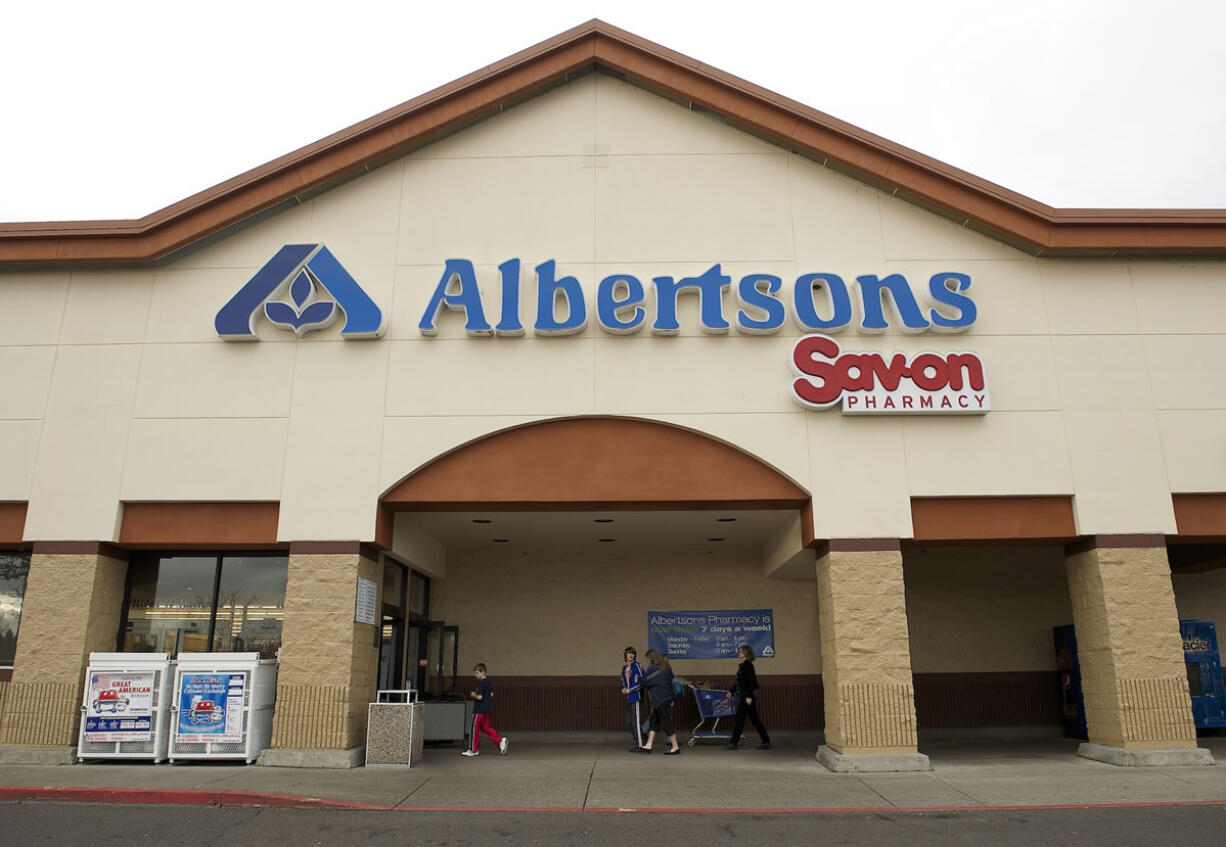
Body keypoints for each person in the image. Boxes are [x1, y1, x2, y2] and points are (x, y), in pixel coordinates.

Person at [635, 648, 681, 755]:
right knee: (654, 722)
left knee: (667, 723)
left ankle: (675, 747)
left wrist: (637, 678)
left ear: (651, 658)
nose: (646, 661)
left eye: (647, 658)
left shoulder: (652, 668)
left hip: (660, 699)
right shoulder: (666, 667)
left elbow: (646, 682)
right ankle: (649, 745)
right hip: (666, 698)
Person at [727, 643, 771, 750]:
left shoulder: (748, 666)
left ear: (745, 654)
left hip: (746, 697)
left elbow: (751, 682)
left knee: (739, 718)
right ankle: (766, 741)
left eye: (741, 652)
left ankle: (734, 742)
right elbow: (739, 682)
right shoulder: (743, 666)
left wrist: (748, 696)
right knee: (754, 719)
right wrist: (731, 691)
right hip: (745, 696)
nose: (739, 653)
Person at [462, 662, 509, 757]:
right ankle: (500, 741)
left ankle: (473, 749)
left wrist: (473, 694)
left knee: (474, 728)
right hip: (487, 709)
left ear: (482, 672)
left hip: (479, 710)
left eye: (477, 673)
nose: (475, 675)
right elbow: (491, 695)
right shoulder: (488, 682)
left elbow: (479, 697)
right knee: (486, 728)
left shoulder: (481, 683)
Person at [620, 646, 646, 752]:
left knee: (636, 721)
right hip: (629, 698)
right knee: (629, 722)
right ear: (625, 656)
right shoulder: (624, 668)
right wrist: (624, 689)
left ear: (635, 655)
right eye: (628, 653)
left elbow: (642, 681)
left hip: (636, 696)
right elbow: (623, 682)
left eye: (632, 653)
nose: (630, 655)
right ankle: (642, 738)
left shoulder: (637, 666)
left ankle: (641, 745)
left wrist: (631, 690)